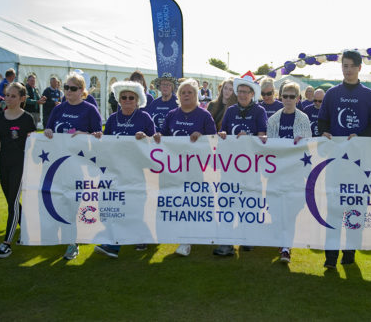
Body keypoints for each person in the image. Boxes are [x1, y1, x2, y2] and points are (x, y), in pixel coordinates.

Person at [317, 50, 371, 269]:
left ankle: (349, 254)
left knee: (356, 208)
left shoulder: (369, 95)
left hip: (360, 163)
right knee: (334, 206)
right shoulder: (332, 94)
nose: (347, 70)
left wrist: (361, 137)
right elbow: (323, 120)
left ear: (359, 68)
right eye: (344, 66)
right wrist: (325, 131)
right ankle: (330, 258)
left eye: (351, 66)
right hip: (336, 162)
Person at [153, 78, 217, 257]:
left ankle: (187, 240)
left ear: (197, 95)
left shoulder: (204, 116)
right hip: (173, 169)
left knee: (191, 203)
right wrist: (158, 136)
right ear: (178, 95)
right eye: (183, 92)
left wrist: (202, 136)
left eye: (190, 92)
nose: (186, 95)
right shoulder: (172, 114)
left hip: (195, 169)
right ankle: (175, 234)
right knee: (175, 202)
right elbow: (164, 136)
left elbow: (214, 142)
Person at [93, 81, 155, 258]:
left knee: (137, 203)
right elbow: (105, 143)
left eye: (131, 97)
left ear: (137, 100)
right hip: (116, 169)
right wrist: (99, 137)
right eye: (123, 97)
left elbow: (155, 142)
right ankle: (113, 244)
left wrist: (145, 137)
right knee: (117, 205)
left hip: (137, 168)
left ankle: (142, 236)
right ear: (119, 100)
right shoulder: (113, 119)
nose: (127, 100)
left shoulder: (144, 118)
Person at [44, 71, 102, 260]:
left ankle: (73, 241)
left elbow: (99, 136)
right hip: (58, 164)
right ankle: (64, 235)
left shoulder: (90, 109)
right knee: (60, 200)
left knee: (75, 202)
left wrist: (86, 135)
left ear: (82, 91)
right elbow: (49, 129)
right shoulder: (58, 109)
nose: (68, 91)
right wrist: (47, 132)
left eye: (73, 88)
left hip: (80, 164)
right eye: (66, 87)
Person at [214, 71, 268, 256]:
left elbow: (263, 137)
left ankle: (248, 238)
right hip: (231, 165)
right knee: (228, 202)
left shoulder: (259, 111)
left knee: (249, 203)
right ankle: (226, 243)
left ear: (252, 94)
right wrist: (222, 135)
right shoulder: (230, 111)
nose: (243, 94)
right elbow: (224, 132)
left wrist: (249, 138)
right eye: (240, 91)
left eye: (247, 91)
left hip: (251, 166)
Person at [267, 81, 312, 263]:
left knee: (291, 211)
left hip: (295, 172)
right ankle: (281, 241)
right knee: (276, 211)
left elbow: (309, 144)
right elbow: (270, 146)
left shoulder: (303, 119)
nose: (288, 99)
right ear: (280, 97)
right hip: (277, 172)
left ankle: (286, 247)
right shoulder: (272, 120)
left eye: (292, 96)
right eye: (285, 96)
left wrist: (303, 140)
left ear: (298, 99)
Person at [0, 82, 36, 258]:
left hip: (20, 166)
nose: (8, 99)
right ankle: (28, 228)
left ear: (22, 99)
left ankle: (7, 243)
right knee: (12, 202)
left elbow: (33, 144)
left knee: (12, 203)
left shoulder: (27, 119)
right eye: (7, 95)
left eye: (13, 96)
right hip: (4, 165)